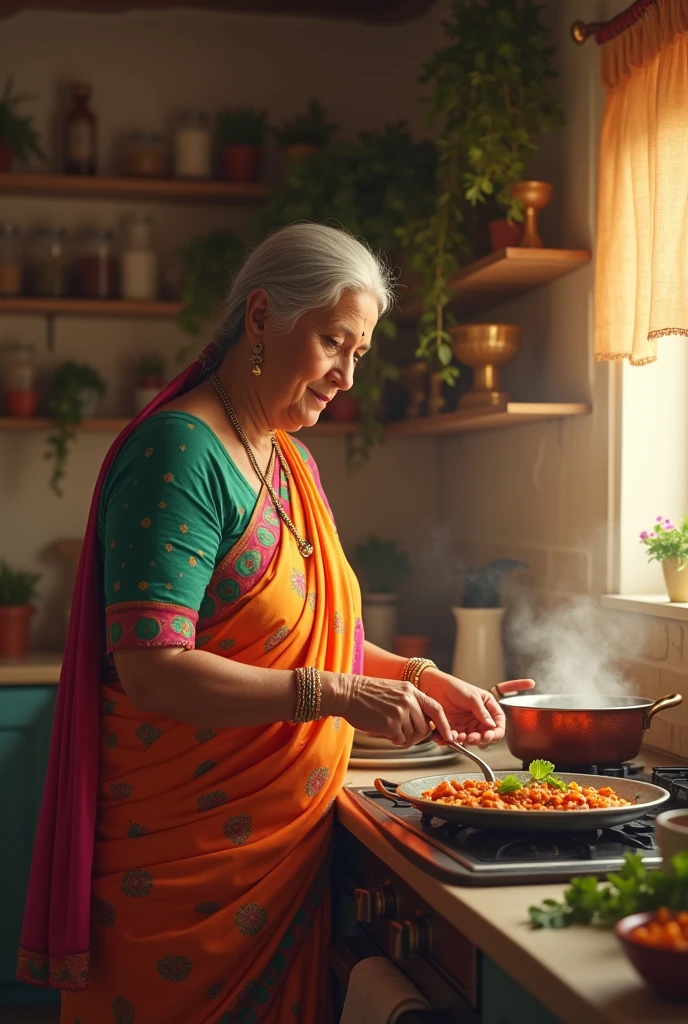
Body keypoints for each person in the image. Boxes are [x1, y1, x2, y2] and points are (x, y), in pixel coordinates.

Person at [18, 223, 533, 1023]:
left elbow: (309, 636)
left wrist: (429, 678)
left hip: (277, 856)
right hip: (183, 876)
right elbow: (155, 667)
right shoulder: (180, 452)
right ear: (261, 317)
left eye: (359, 353)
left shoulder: (285, 458)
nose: (347, 376)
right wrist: (333, 695)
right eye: (335, 342)